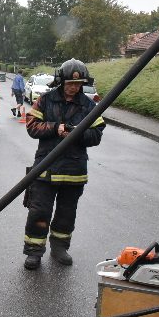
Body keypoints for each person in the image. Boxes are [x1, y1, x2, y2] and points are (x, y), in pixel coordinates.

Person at [22, 58, 105, 270]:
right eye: (70, 84)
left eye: (78, 84)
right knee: (39, 212)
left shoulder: (89, 106)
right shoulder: (46, 100)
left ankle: (59, 248)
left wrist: (76, 133)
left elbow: (96, 136)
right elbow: (32, 127)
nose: (74, 88)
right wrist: (55, 128)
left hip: (74, 172)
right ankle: (34, 252)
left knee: (66, 214)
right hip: (45, 169)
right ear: (61, 82)